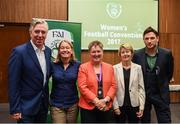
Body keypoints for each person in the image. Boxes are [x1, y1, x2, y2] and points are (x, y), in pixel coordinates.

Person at [8, 18, 52, 123]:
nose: (40, 35)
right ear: (30, 32)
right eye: (37, 31)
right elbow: (13, 83)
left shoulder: (48, 51)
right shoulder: (19, 52)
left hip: (43, 106)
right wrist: (15, 108)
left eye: (43, 32)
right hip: (25, 107)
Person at [133, 26, 174, 123]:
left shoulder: (167, 54)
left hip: (161, 94)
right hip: (144, 94)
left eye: (152, 38)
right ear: (143, 40)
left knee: (165, 121)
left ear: (157, 39)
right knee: (144, 121)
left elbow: (169, 73)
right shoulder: (137, 54)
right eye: (146, 38)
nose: (149, 41)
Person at [77, 40, 117, 123]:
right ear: (89, 53)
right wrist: (97, 101)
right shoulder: (83, 67)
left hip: (105, 106)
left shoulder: (109, 67)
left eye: (98, 51)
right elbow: (82, 87)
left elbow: (114, 85)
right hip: (88, 108)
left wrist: (105, 100)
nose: (96, 54)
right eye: (93, 52)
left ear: (102, 52)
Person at [113, 43, 145, 123]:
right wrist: (115, 106)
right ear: (119, 54)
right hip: (120, 105)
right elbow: (112, 89)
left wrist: (141, 107)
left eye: (127, 51)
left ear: (132, 53)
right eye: (123, 52)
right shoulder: (114, 68)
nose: (125, 54)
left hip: (134, 105)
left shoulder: (138, 68)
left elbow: (141, 88)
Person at [50, 40, 80, 123]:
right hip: (56, 105)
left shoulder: (78, 65)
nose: (65, 50)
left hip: (73, 104)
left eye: (67, 47)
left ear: (71, 50)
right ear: (59, 51)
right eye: (62, 48)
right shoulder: (53, 65)